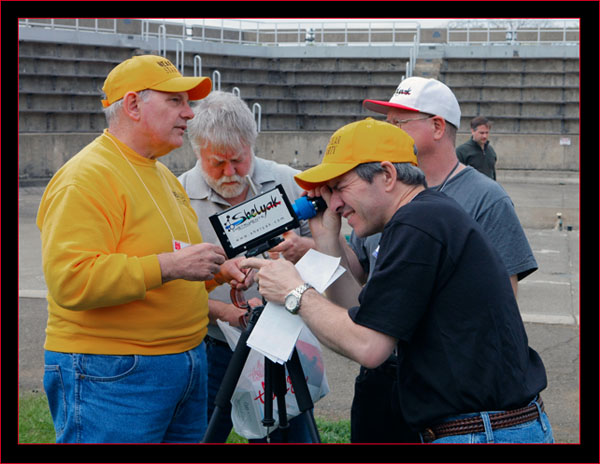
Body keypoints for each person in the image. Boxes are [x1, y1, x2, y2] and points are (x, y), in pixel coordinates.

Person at [241, 118, 554, 444]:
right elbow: (359, 315)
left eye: (340, 187)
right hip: (487, 426)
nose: (333, 204)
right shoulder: (426, 216)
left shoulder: (417, 224)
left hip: (480, 431)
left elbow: (369, 346)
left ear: (388, 175)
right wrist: (327, 239)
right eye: (328, 193)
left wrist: (295, 291)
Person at [36, 55, 251, 443]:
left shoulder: (161, 172)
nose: (190, 113)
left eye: (188, 102)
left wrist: (215, 271)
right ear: (133, 105)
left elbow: (169, 268)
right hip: (114, 373)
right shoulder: (86, 177)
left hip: (182, 364)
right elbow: (71, 281)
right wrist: (171, 264)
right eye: (176, 101)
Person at [341, 77, 538, 443]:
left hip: (449, 395)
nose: (387, 130)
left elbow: (500, 309)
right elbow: (365, 281)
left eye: (398, 123)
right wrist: (326, 244)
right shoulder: (379, 197)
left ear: (437, 127)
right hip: (386, 381)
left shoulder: (486, 199)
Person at [178, 90, 315, 442]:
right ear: (196, 152)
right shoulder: (176, 197)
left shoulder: (292, 182)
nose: (229, 172)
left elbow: (332, 257)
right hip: (214, 346)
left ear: (252, 143)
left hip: (283, 340)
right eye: (216, 163)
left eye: (238, 160)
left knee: (293, 435)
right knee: (203, 434)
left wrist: (302, 248)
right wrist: (226, 311)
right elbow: (174, 289)